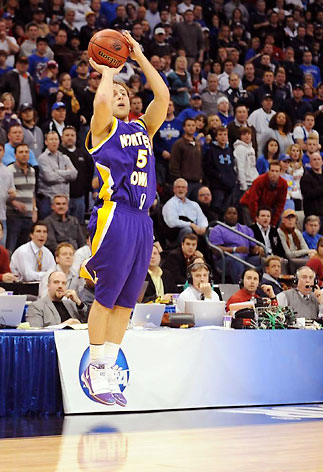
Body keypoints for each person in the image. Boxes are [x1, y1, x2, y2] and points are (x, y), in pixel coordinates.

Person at [80, 31, 169, 407]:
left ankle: (109, 365)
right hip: (115, 214)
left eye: (125, 94)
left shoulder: (142, 128)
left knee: (127, 302)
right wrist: (107, 73)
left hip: (143, 220)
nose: (120, 95)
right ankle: (96, 367)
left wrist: (139, 55)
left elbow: (162, 96)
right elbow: (101, 101)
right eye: (116, 93)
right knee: (107, 296)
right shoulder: (103, 130)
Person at [209, 206, 262, 283]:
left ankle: (263, 285)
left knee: (263, 260)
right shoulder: (218, 229)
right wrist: (235, 249)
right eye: (229, 213)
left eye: (234, 213)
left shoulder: (245, 229)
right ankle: (241, 286)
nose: (232, 215)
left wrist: (258, 250)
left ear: (237, 216)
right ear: (224, 216)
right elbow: (215, 250)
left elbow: (252, 248)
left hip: (245, 259)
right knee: (237, 257)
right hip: (225, 261)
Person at [36, 131, 78, 220]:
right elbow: (49, 177)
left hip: (64, 200)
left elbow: (74, 174)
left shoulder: (64, 157)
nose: (54, 142)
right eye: (51, 139)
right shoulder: (42, 158)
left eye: (56, 139)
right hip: (48, 200)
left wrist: (57, 172)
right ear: (46, 142)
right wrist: (66, 175)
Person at [162, 178, 209, 245]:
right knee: (187, 230)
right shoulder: (170, 204)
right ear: (174, 189)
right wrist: (191, 225)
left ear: (186, 190)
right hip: (176, 235)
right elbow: (172, 222)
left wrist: (203, 228)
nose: (181, 189)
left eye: (183, 187)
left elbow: (203, 219)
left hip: (196, 232)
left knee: (210, 231)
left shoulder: (194, 205)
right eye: (178, 187)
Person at [240, 161, 287, 226]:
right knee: (252, 226)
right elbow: (253, 201)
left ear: (280, 172)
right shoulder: (259, 181)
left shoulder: (283, 184)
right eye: (272, 171)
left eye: (277, 171)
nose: (274, 174)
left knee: (280, 214)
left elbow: (280, 204)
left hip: (268, 207)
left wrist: (272, 224)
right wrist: (256, 221)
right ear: (268, 171)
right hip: (248, 205)